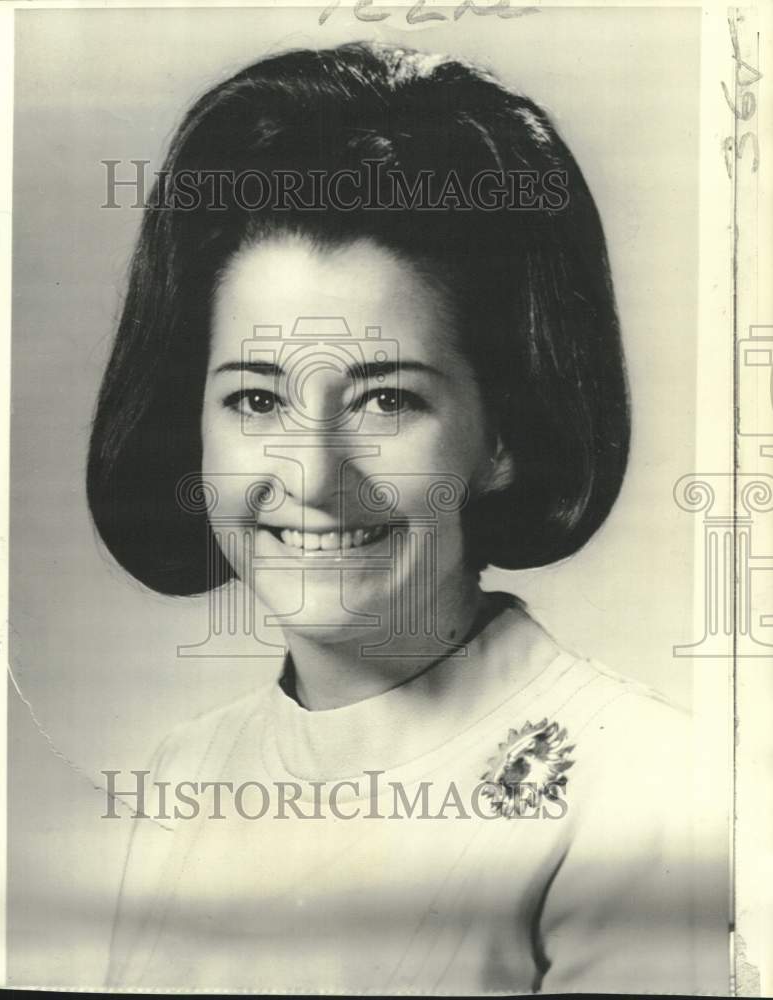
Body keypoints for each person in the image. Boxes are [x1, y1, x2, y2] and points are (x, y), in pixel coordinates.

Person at [86, 41, 728, 994]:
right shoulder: (180, 776)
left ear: (502, 436)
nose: (311, 473)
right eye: (256, 401)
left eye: (387, 401)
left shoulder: (654, 793)